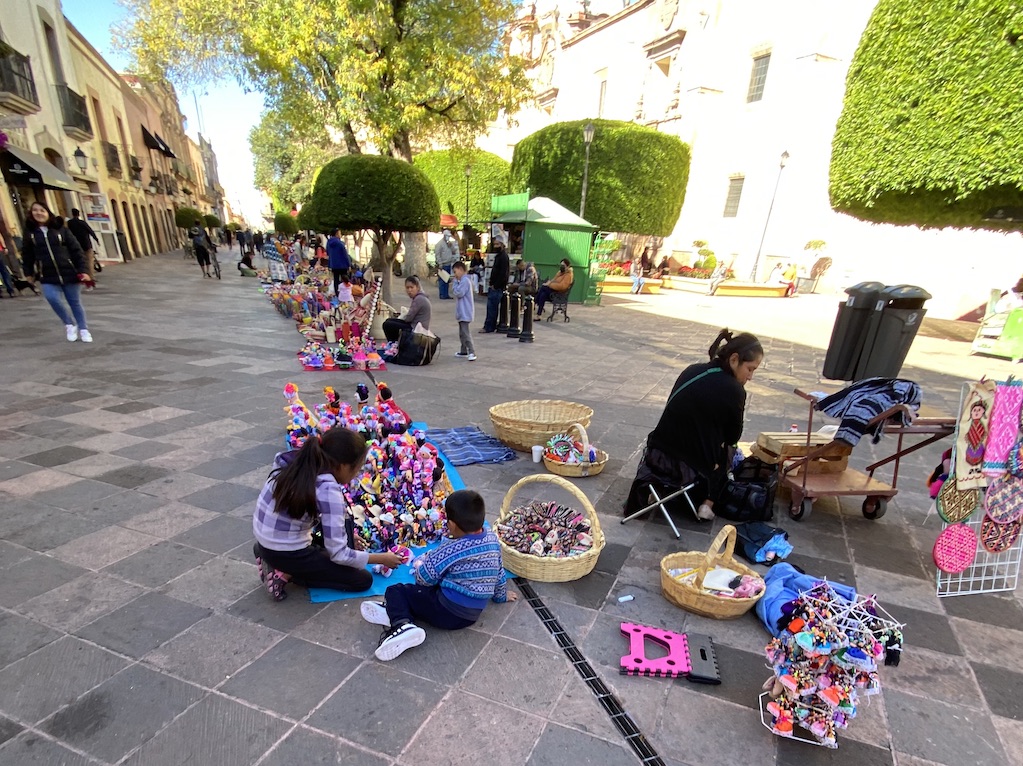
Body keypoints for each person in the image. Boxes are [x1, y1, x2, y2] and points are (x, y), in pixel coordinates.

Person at [624, 328, 763, 522]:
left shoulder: (693, 370)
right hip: (687, 467)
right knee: (730, 449)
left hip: (656, 454)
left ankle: (660, 490)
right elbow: (733, 435)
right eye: (750, 369)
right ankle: (708, 503)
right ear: (734, 360)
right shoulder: (735, 390)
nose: (750, 377)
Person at [359, 489, 515, 660]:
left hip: (446, 612)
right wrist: (501, 596)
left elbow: (423, 579)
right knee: (418, 597)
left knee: (397, 590)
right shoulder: (492, 539)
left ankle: (402, 625)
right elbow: (500, 572)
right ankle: (394, 610)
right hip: (472, 615)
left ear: (452, 525)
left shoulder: (450, 549)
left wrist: (423, 565)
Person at [252, 427, 404, 601]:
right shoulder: (328, 489)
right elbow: (339, 555)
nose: (356, 475)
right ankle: (284, 572)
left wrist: (346, 535)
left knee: (341, 531)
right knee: (361, 580)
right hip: (287, 552)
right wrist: (382, 558)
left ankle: (268, 555)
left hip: (266, 540)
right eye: (357, 469)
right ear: (343, 466)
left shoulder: (296, 462)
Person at [21, 201, 92, 342]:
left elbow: (76, 250)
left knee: (75, 302)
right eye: (35, 210)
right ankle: (69, 324)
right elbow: (27, 254)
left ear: (48, 213)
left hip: (69, 272)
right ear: (31, 214)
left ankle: (83, 329)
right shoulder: (30, 233)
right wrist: (28, 273)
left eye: (42, 210)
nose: (39, 213)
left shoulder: (61, 229)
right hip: (47, 274)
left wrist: (84, 270)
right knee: (52, 298)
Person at [382, 275, 432, 342]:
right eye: (407, 288)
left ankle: (394, 345)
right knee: (389, 320)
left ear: (417, 288)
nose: (409, 290)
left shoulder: (419, 299)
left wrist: (403, 316)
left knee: (387, 325)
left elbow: (409, 319)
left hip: (417, 330)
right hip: (414, 325)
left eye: (412, 287)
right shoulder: (420, 297)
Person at [66, 208, 99, 290]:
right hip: (86, 245)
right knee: (89, 262)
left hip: (76, 246)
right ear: (78, 214)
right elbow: (90, 231)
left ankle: (81, 277)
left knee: (79, 262)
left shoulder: (69, 223)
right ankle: (90, 278)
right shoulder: (82, 223)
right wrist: (96, 239)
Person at [481, 240, 509, 333]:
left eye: (497, 244)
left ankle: (489, 326)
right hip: (495, 285)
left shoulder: (503, 257)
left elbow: (503, 274)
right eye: (495, 244)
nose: (495, 246)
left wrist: (495, 285)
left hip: (497, 287)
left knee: (492, 307)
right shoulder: (499, 256)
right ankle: (491, 325)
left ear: (502, 245)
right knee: (491, 307)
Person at [450, 261, 477, 361]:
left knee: (465, 332)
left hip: (465, 312)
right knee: (462, 333)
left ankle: (472, 351)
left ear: (461, 270)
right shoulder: (461, 281)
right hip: (462, 312)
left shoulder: (465, 281)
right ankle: (463, 350)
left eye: (455, 272)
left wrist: (455, 285)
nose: (454, 275)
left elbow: (459, 293)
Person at [434, 229, 460, 300]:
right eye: (447, 236)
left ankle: (446, 294)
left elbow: (454, 251)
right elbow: (437, 255)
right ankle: (442, 294)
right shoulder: (439, 244)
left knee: (446, 280)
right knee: (442, 280)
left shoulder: (449, 244)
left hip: (448, 263)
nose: (448, 237)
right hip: (443, 264)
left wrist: (451, 246)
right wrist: (440, 264)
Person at [327, 229, 351, 295]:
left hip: (334, 265)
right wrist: (349, 264)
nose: (341, 235)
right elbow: (345, 254)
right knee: (345, 280)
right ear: (337, 234)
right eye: (340, 233)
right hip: (342, 264)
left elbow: (328, 253)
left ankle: (337, 294)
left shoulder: (329, 243)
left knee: (336, 280)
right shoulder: (340, 243)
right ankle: (345, 294)